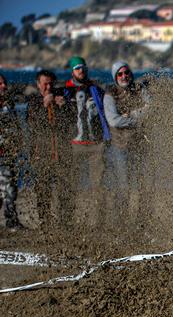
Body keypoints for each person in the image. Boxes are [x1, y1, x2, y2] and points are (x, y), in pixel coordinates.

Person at [26, 69, 76, 229]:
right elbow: (33, 125)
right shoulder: (33, 102)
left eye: (50, 84)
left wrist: (64, 107)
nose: (48, 87)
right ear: (38, 84)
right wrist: (44, 105)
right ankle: (45, 223)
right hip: (42, 153)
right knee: (42, 190)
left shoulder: (61, 97)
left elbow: (72, 122)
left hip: (62, 152)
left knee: (66, 188)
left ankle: (66, 222)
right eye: (45, 84)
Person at [104, 60, 151, 225]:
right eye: (120, 74)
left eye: (126, 72)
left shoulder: (139, 88)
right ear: (115, 77)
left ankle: (142, 221)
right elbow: (113, 121)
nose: (124, 76)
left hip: (141, 144)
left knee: (143, 185)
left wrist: (129, 115)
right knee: (123, 186)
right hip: (120, 146)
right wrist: (138, 117)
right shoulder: (110, 94)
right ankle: (122, 222)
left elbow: (151, 108)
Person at [65, 56, 110, 227]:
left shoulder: (95, 89)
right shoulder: (65, 90)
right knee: (71, 184)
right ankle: (68, 220)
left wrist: (106, 137)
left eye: (83, 68)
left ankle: (100, 222)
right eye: (77, 68)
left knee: (98, 185)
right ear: (72, 71)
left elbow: (105, 111)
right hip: (74, 145)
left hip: (95, 145)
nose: (81, 71)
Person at [0, 73, 24, 231]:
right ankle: (11, 221)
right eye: (0, 84)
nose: (4, 86)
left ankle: (11, 220)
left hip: (8, 154)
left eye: (4, 83)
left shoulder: (9, 104)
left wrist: (17, 144)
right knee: (8, 189)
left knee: (10, 188)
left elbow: (15, 127)